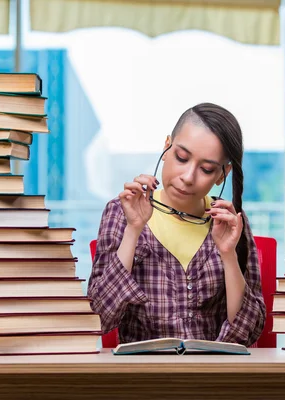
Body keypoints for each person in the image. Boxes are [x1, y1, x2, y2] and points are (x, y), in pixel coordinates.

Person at [88, 103, 266, 346]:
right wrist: (133, 230)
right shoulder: (121, 212)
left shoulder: (230, 222)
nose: (188, 177)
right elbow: (98, 317)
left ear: (222, 175)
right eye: (181, 158)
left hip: (215, 375)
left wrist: (228, 256)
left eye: (206, 169)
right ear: (166, 147)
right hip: (144, 377)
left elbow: (250, 331)